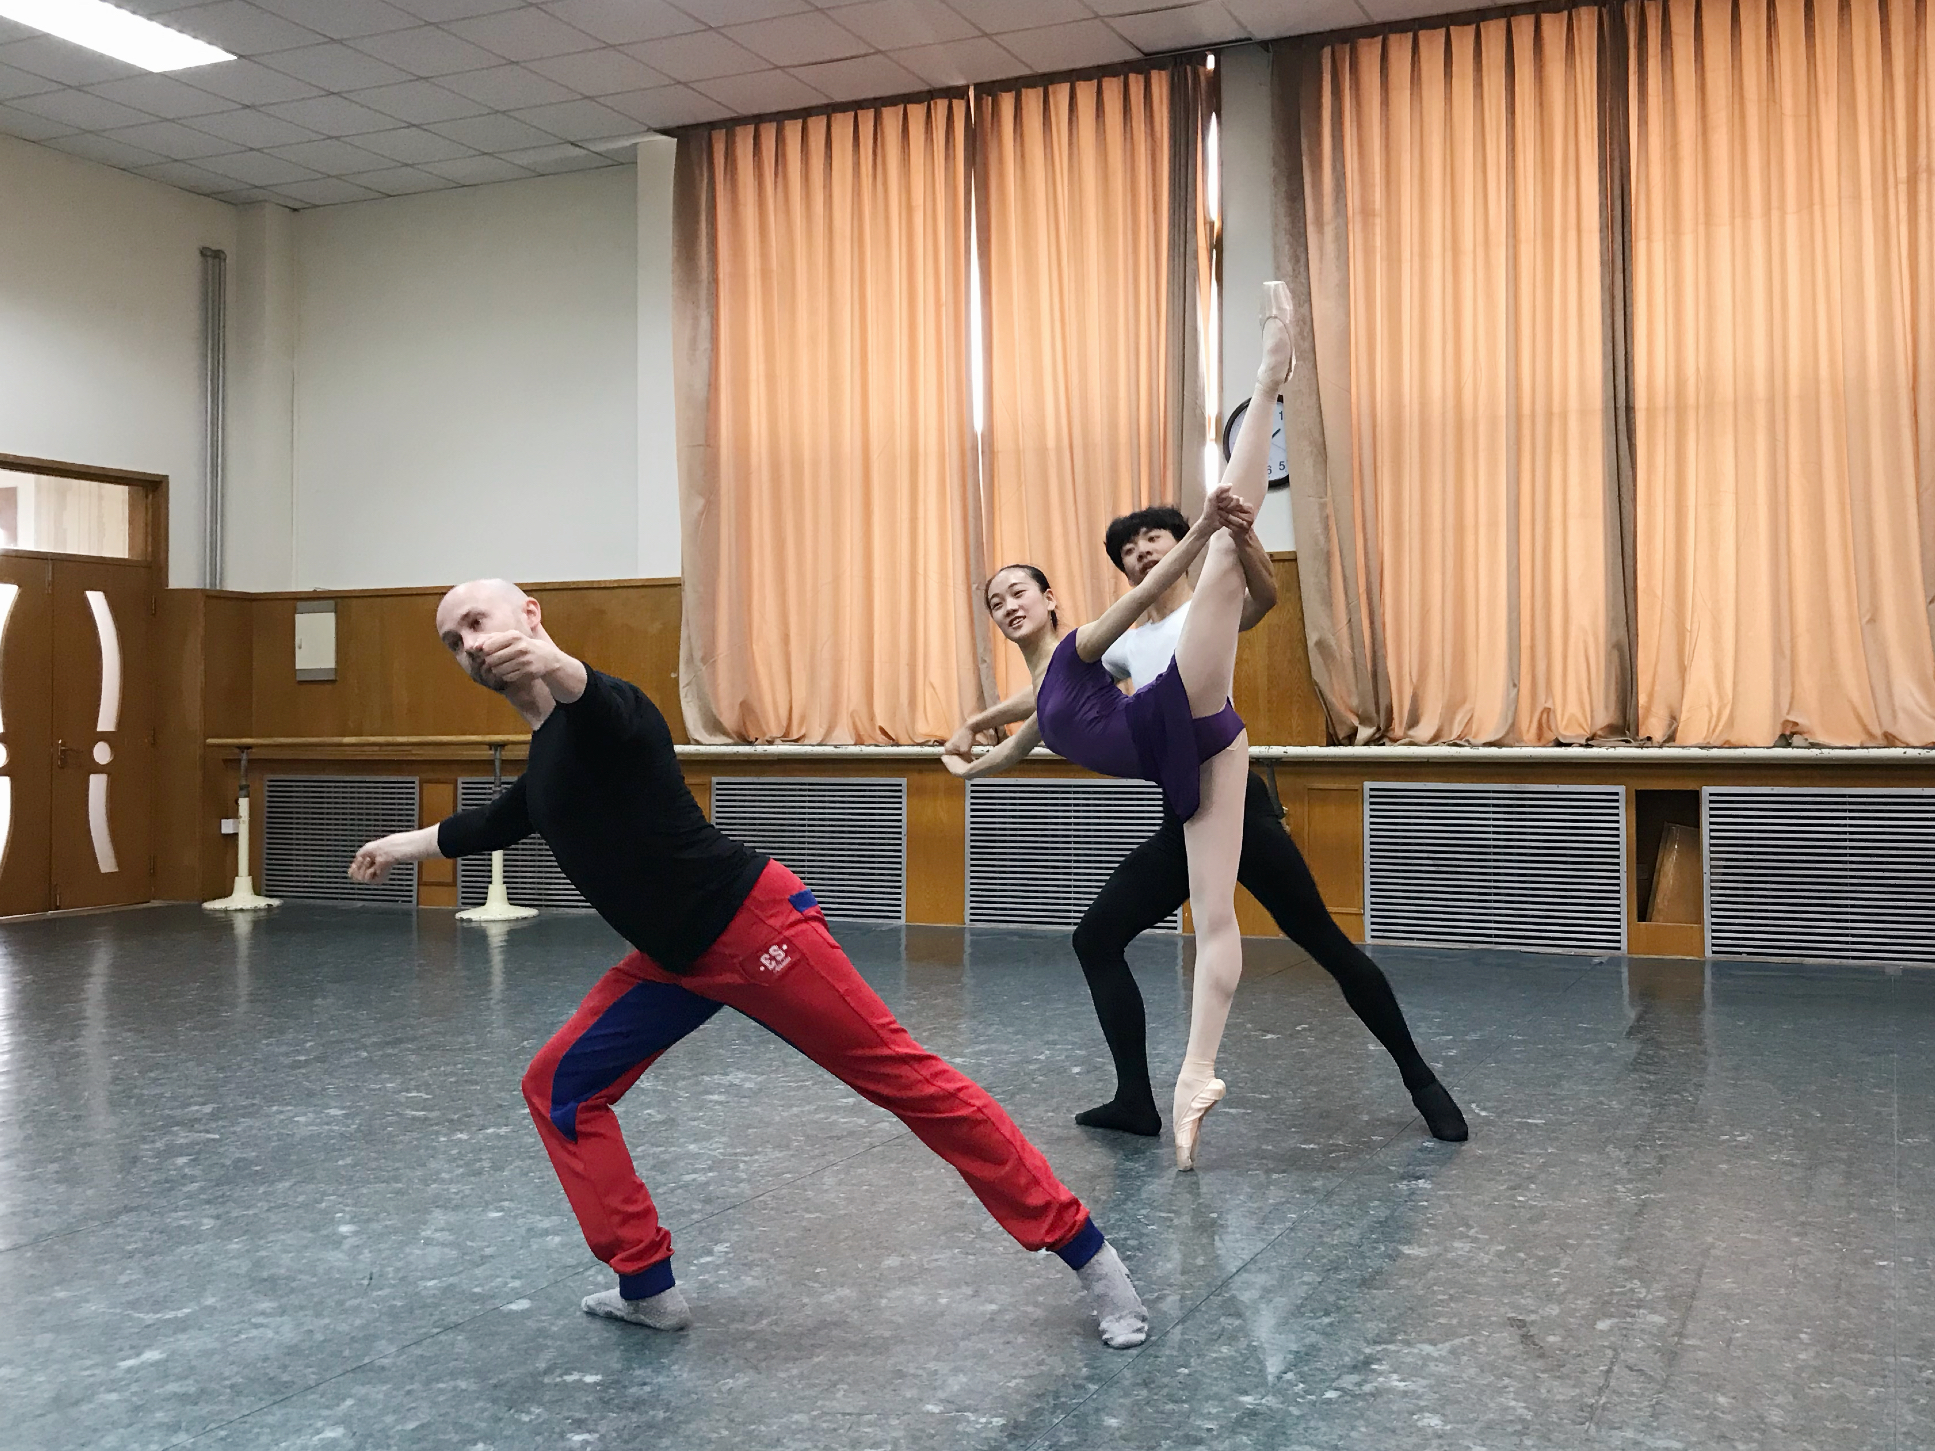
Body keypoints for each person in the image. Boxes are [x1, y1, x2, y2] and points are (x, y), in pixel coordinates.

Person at [347, 579, 1149, 1349]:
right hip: (670, 959)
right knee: (560, 1088)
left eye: (480, 622)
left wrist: (552, 663)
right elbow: (494, 820)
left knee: (910, 1082)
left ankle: (1093, 1258)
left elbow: (600, 700)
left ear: (528, 612)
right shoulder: (549, 750)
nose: (471, 645)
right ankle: (647, 1286)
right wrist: (398, 844)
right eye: (454, 641)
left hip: (756, 928)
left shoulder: (602, 709)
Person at [956, 504, 1468, 1144]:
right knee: (1096, 937)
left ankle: (1421, 1079)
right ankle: (1134, 1102)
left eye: (1154, 540)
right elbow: (1052, 691)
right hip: (1185, 814)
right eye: (1130, 547)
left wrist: (1241, 538)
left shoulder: (1207, 612)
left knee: (1320, 940)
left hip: (1236, 804)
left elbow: (1266, 597)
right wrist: (980, 727)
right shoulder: (1124, 643)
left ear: (1178, 549)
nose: (1142, 551)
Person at [944, 284, 1295, 1172]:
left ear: (1049, 598)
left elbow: (1143, 594)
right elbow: (1027, 736)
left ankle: (1270, 370)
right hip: (1201, 762)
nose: (1007, 603)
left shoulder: (1085, 646)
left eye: (1017, 590)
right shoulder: (1056, 689)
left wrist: (1207, 529)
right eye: (994, 601)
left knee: (1219, 561)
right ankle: (1192, 1082)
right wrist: (965, 761)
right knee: (1215, 918)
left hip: (1187, 704)